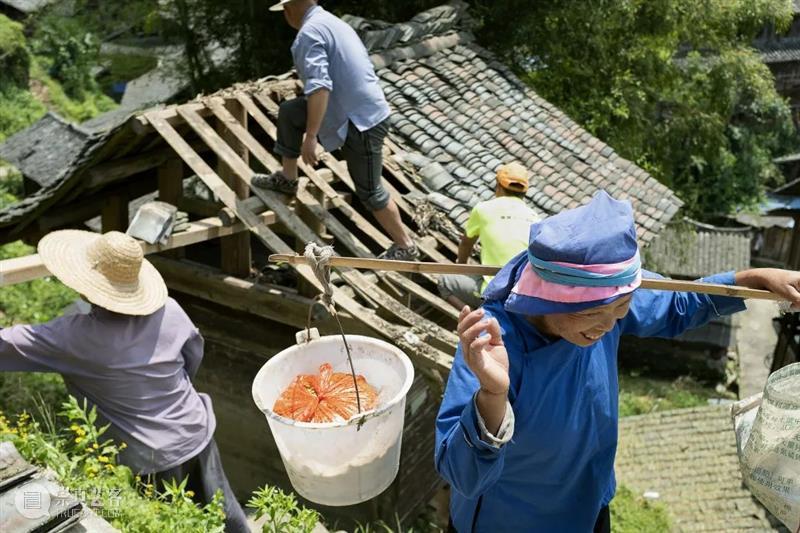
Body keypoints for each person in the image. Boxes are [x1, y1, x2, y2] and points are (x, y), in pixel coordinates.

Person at [434, 191, 800, 533]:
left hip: (589, 504)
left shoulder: (608, 297)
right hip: (512, 518)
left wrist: (753, 279)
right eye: (593, 312)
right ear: (550, 299)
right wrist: (493, 395)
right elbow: (461, 475)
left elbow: (679, 302)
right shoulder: (494, 344)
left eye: (622, 308)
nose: (608, 325)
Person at [0, 231, 249, 533]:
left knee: (174, 525)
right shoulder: (170, 309)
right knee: (226, 513)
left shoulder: (72, 337)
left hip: (150, 458)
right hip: (196, 429)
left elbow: (6, 345)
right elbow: (192, 357)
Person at [254, 0, 418, 261]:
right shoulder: (331, 22)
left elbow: (320, 88)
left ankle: (405, 246)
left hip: (360, 122)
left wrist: (310, 137)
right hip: (357, 110)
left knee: (370, 191)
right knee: (290, 111)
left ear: (288, 10)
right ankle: (288, 177)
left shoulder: (309, 33)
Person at [438, 162, 540, 309]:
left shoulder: (483, 209)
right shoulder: (535, 218)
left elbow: (466, 244)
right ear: (524, 192)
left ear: (497, 186)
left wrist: (460, 265)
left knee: (445, 282)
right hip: (523, 294)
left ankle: (479, 317)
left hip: (494, 291)